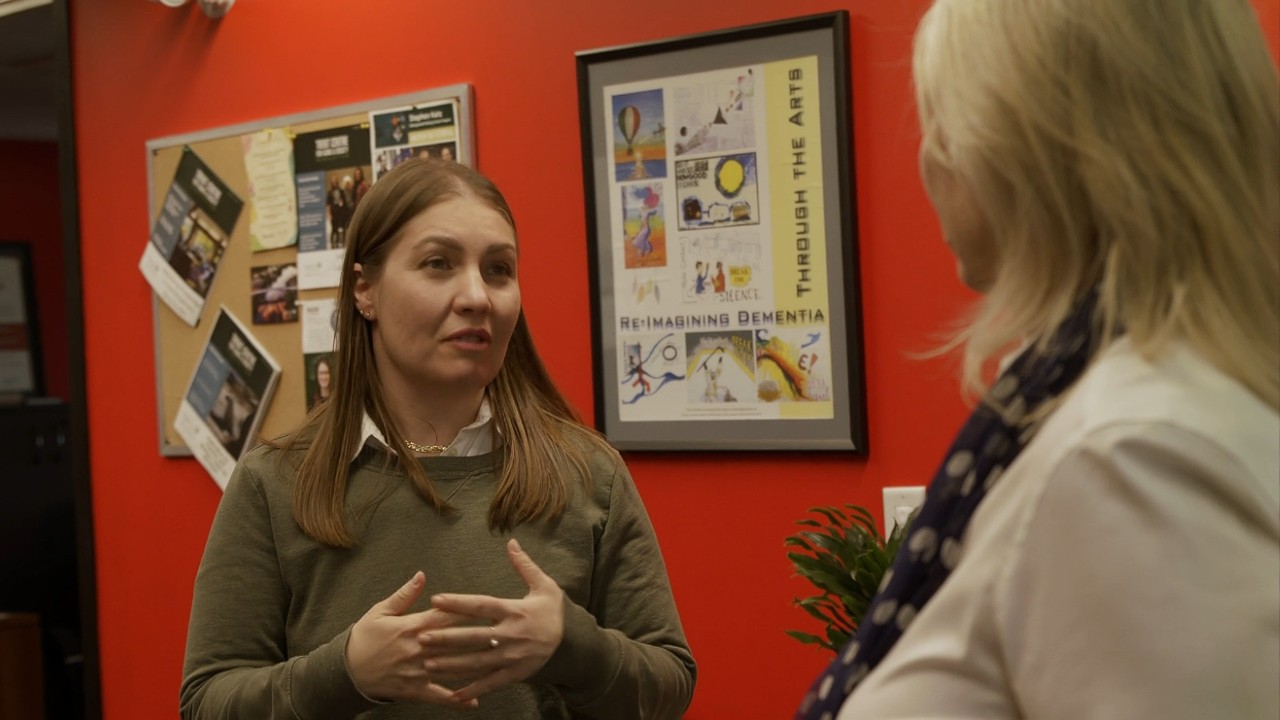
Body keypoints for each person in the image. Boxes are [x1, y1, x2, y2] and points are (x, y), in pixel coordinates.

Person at [799, 1, 1279, 718]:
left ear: (1026, 148)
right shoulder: (1146, 399)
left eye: (943, 121)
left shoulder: (1127, 456)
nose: (928, 161)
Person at [180, 158, 696, 719]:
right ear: (365, 291)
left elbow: (669, 684)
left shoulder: (589, 473)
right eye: (438, 264)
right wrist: (344, 674)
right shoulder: (272, 484)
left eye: (498, 270)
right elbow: (207, 703)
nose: (477, 296)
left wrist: (574, 648)